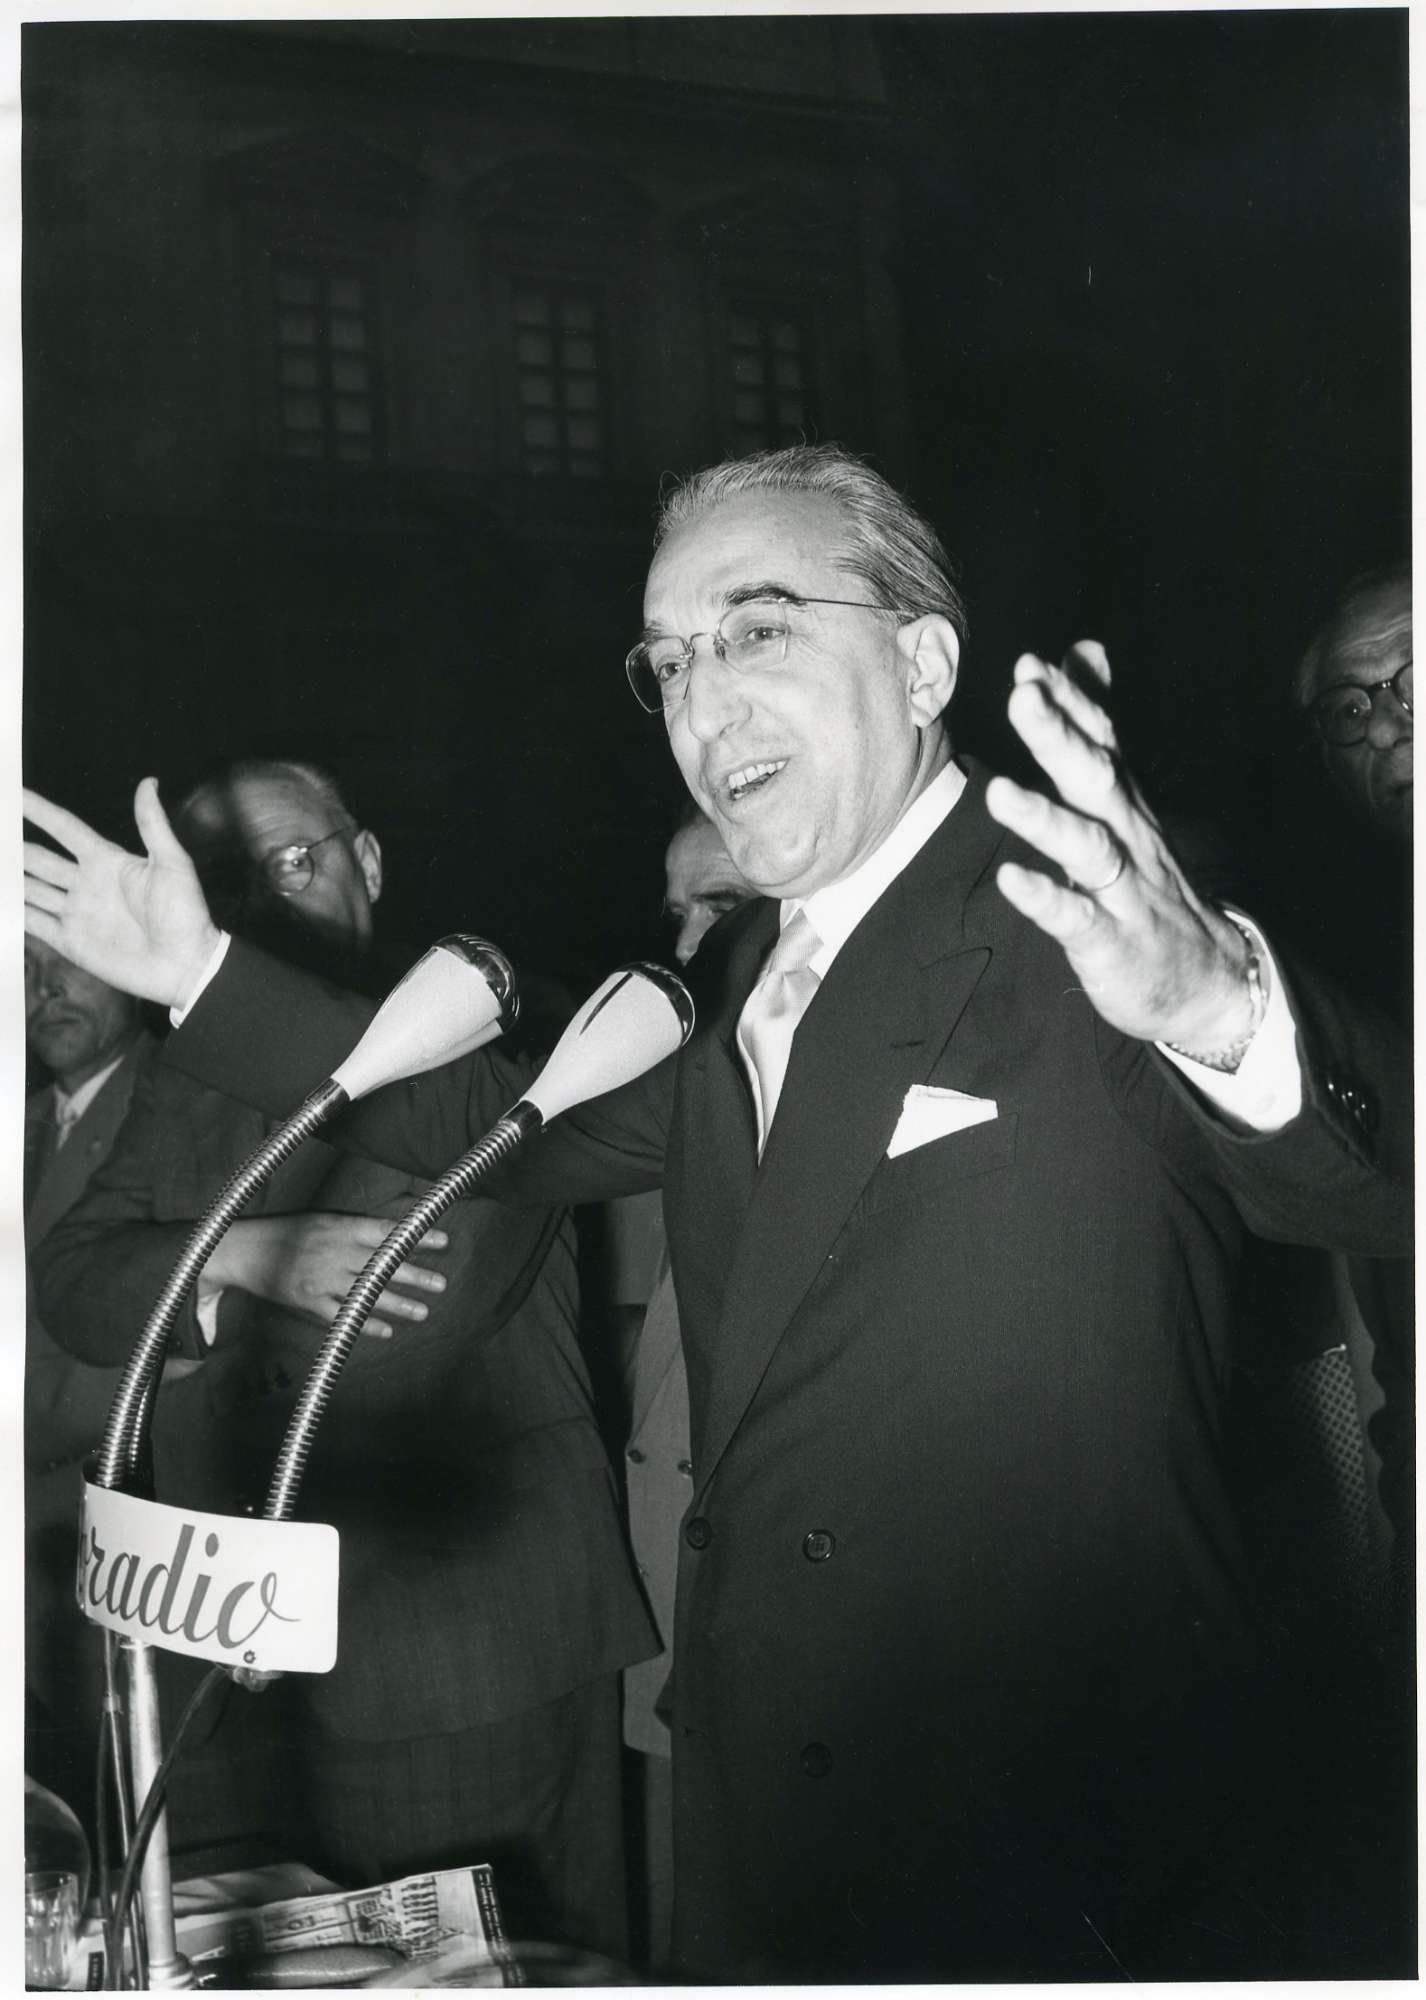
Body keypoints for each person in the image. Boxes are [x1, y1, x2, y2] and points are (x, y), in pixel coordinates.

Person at [23, 447, 1411, 1980]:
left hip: (1060, 1837)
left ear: (921, 661)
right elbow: (495, 1125)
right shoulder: (732, 975)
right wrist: (200, 975)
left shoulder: (1095, 904)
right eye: (670, 661)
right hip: (771, 1819)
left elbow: (1379, 1179)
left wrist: (1219, 1008)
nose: (701, 701)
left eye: (756, 630)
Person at [32, 758, 655, 1949]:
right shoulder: (190, 1070)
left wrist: (188, 1274)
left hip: (458, 1642)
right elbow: (69, 1282)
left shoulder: (488, 1030)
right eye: (227, 880)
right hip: (242, 1658)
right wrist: (247, 1254)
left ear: (367, 862)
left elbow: (411, 1303)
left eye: (291, 859)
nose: (261, 901)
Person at [609, 808, 755, 1969]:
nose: (690, 943)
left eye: (726, 906)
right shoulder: (656, 1082)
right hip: (671, 1591)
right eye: (679, 914)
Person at [24, 941, 161, 1814]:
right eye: (18, 965)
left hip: (146, 1580)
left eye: (68, 955)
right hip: (40, 1604)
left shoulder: (186, 1099)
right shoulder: (23, 1122)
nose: (43, 987)